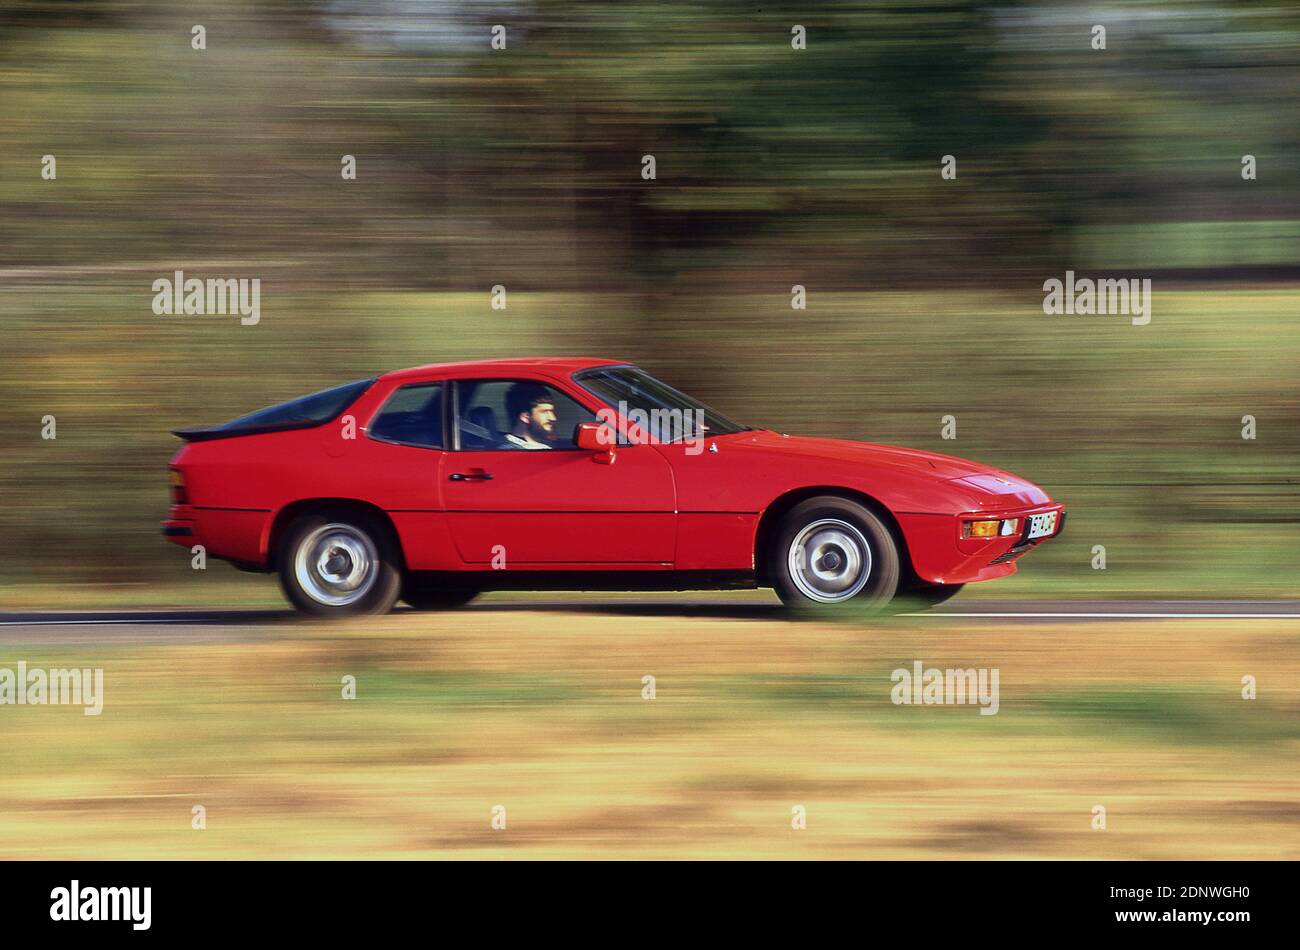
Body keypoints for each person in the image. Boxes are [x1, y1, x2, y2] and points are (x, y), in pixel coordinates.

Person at [502, 383, 558, 449]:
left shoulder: (537, 447)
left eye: (552, 412)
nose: (553, 418)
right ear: (525, 416)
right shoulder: (511, 452)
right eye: (545, 412)